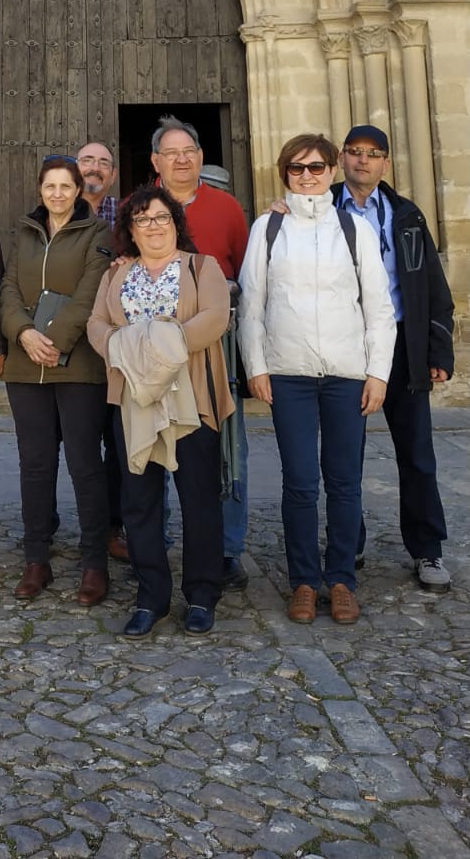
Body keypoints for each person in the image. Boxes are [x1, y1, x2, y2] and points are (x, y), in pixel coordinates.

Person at [238, 134, 396, 625]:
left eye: (316, 167)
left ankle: (342, 579)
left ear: (332, 170)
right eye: (297, 167)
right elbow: (252, 304)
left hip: (347, 374)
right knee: (301, 482)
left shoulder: (354, 229)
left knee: (345, 482)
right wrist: (257, 366)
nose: (307, 175)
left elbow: (378, 307)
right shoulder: (267, 228)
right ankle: (304, 581)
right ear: (285, 172)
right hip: (289, 374)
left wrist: (378, 373)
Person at [88, 185, 233, 637]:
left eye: (161, 217)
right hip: (134, 399)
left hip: (191, 396)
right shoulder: (116, 274)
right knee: (139, 502)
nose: (153, 226)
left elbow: (215, 316)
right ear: (130, 230)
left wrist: (158, 347)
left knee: (199, 498)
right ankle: (151, 597)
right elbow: (97, 324)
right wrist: (121, 347)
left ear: (175, 223)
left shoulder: (201, 267)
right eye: (142, 219)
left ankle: (202, 595)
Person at [336, 125, 454, 590]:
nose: (363, 161)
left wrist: (437, 348)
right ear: (342, 158)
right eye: (355, 152)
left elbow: (433, 286)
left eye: (373, 153)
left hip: (403, 346)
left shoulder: (407, 215)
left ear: (385, 162)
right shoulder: (322, 211)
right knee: (346, 455)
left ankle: (427, 549)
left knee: (417, 453)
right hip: (346, 344)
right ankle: (349, 543)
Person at [1, 155, 112, 605]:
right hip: (26, 365)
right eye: (51, 186)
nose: (58, 194)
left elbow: (91, 294)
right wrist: (24, 333)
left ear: (78, 190)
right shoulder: (25, 231)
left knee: (85, 465)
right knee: (35, 464)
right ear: (40, 190)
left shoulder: (97, 233)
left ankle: (94, 564)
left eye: (66, 186)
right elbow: (8, 288)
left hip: (79, 365)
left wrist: (54, 341)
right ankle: (36, 560)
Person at [151, 116, 250, 589]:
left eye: (188, 151)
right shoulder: (140, 207)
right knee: (155, 447)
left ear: (201, 157)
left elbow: (246, 274)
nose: (181, 160)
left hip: (215, 353)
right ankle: (155, 543)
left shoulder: (227, 208)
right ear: (156, 161)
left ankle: (226, 549)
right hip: (156, 355)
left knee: (228, 451)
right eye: (171, 153)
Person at [76, 141, 126, 562]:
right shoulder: (56, 211)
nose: (94, 169)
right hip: (67, 342)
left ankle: (112, 525)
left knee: (116, 440)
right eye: (87, 161)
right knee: (63, 441)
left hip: (113, 342)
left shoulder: (126, 217)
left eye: (103, 163)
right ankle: (46, 522)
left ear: (112, 174)